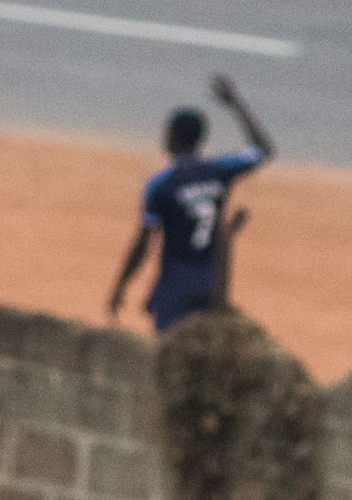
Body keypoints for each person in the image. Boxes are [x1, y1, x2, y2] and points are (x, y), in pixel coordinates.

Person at [108, 74, 275, 331]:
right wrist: (237, 104)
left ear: (173, 138)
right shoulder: (218, 171)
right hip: (211, 283)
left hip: (175, 285)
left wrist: (121, 284)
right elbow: (263, 150)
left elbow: (143, 243)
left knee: (169, 358)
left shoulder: (161, 184)